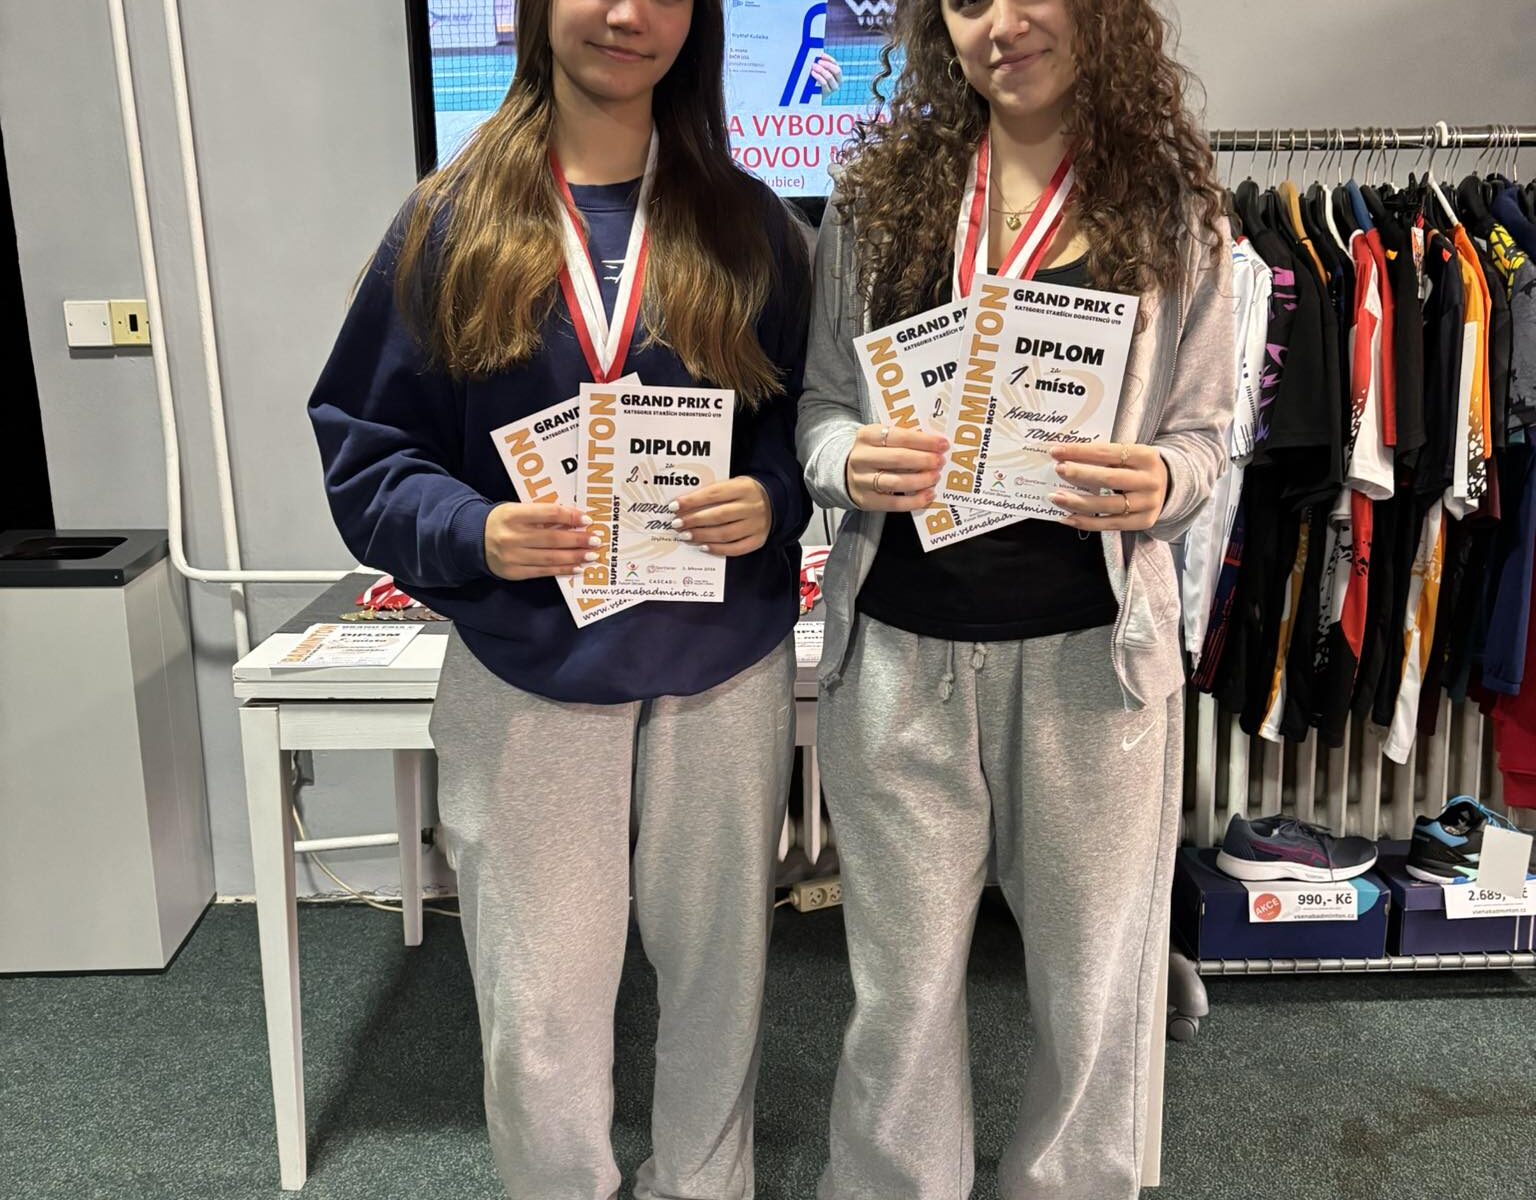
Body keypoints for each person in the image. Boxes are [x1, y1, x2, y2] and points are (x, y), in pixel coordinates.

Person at [307, 2, 811, 1197]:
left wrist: (773, 495)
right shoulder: (448, 225)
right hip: (527, 668)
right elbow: (367, 450)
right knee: (540, 1004)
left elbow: (805, 420)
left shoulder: (754, 228)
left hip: (719, 663)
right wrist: (474, 530)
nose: (626, 14)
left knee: (719, 981)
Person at [796, 1, 1234, 1197]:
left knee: (1095, 994)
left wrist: (1162, 481)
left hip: (1095, 667)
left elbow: (1206, 435)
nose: (1002, 22)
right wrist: (848, 461)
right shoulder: (876, 201)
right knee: (899, 998)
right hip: (900, 658)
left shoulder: (1175, 210)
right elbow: (821, 408)